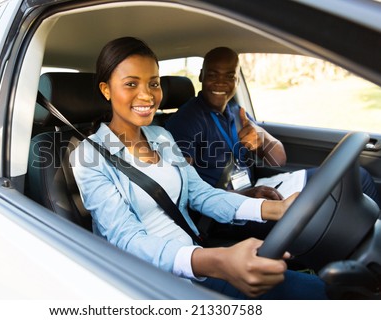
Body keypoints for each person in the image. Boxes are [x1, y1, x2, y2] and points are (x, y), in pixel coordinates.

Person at [71, 36, 327, 299]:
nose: (147, 95)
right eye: (131, 84)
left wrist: (275, 208)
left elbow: (200, 194)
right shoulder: (88, 156)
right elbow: (127, 241)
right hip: (151, 282)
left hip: (196, 259)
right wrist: (219, 261)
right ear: (106, 90)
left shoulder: (161, 136)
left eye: (154, 83)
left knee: (320, 292)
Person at [166, 46, 381, 208]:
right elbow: (184, 192)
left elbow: (279, 159)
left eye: (229, 76)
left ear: (237, 81)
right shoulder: (185, 121)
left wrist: (261, 137)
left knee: (355, 176)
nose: (220, 83)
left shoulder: (235, 111)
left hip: (257, 188)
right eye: (213, 75)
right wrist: (245, 197)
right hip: (229, 206)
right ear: (202, 75)